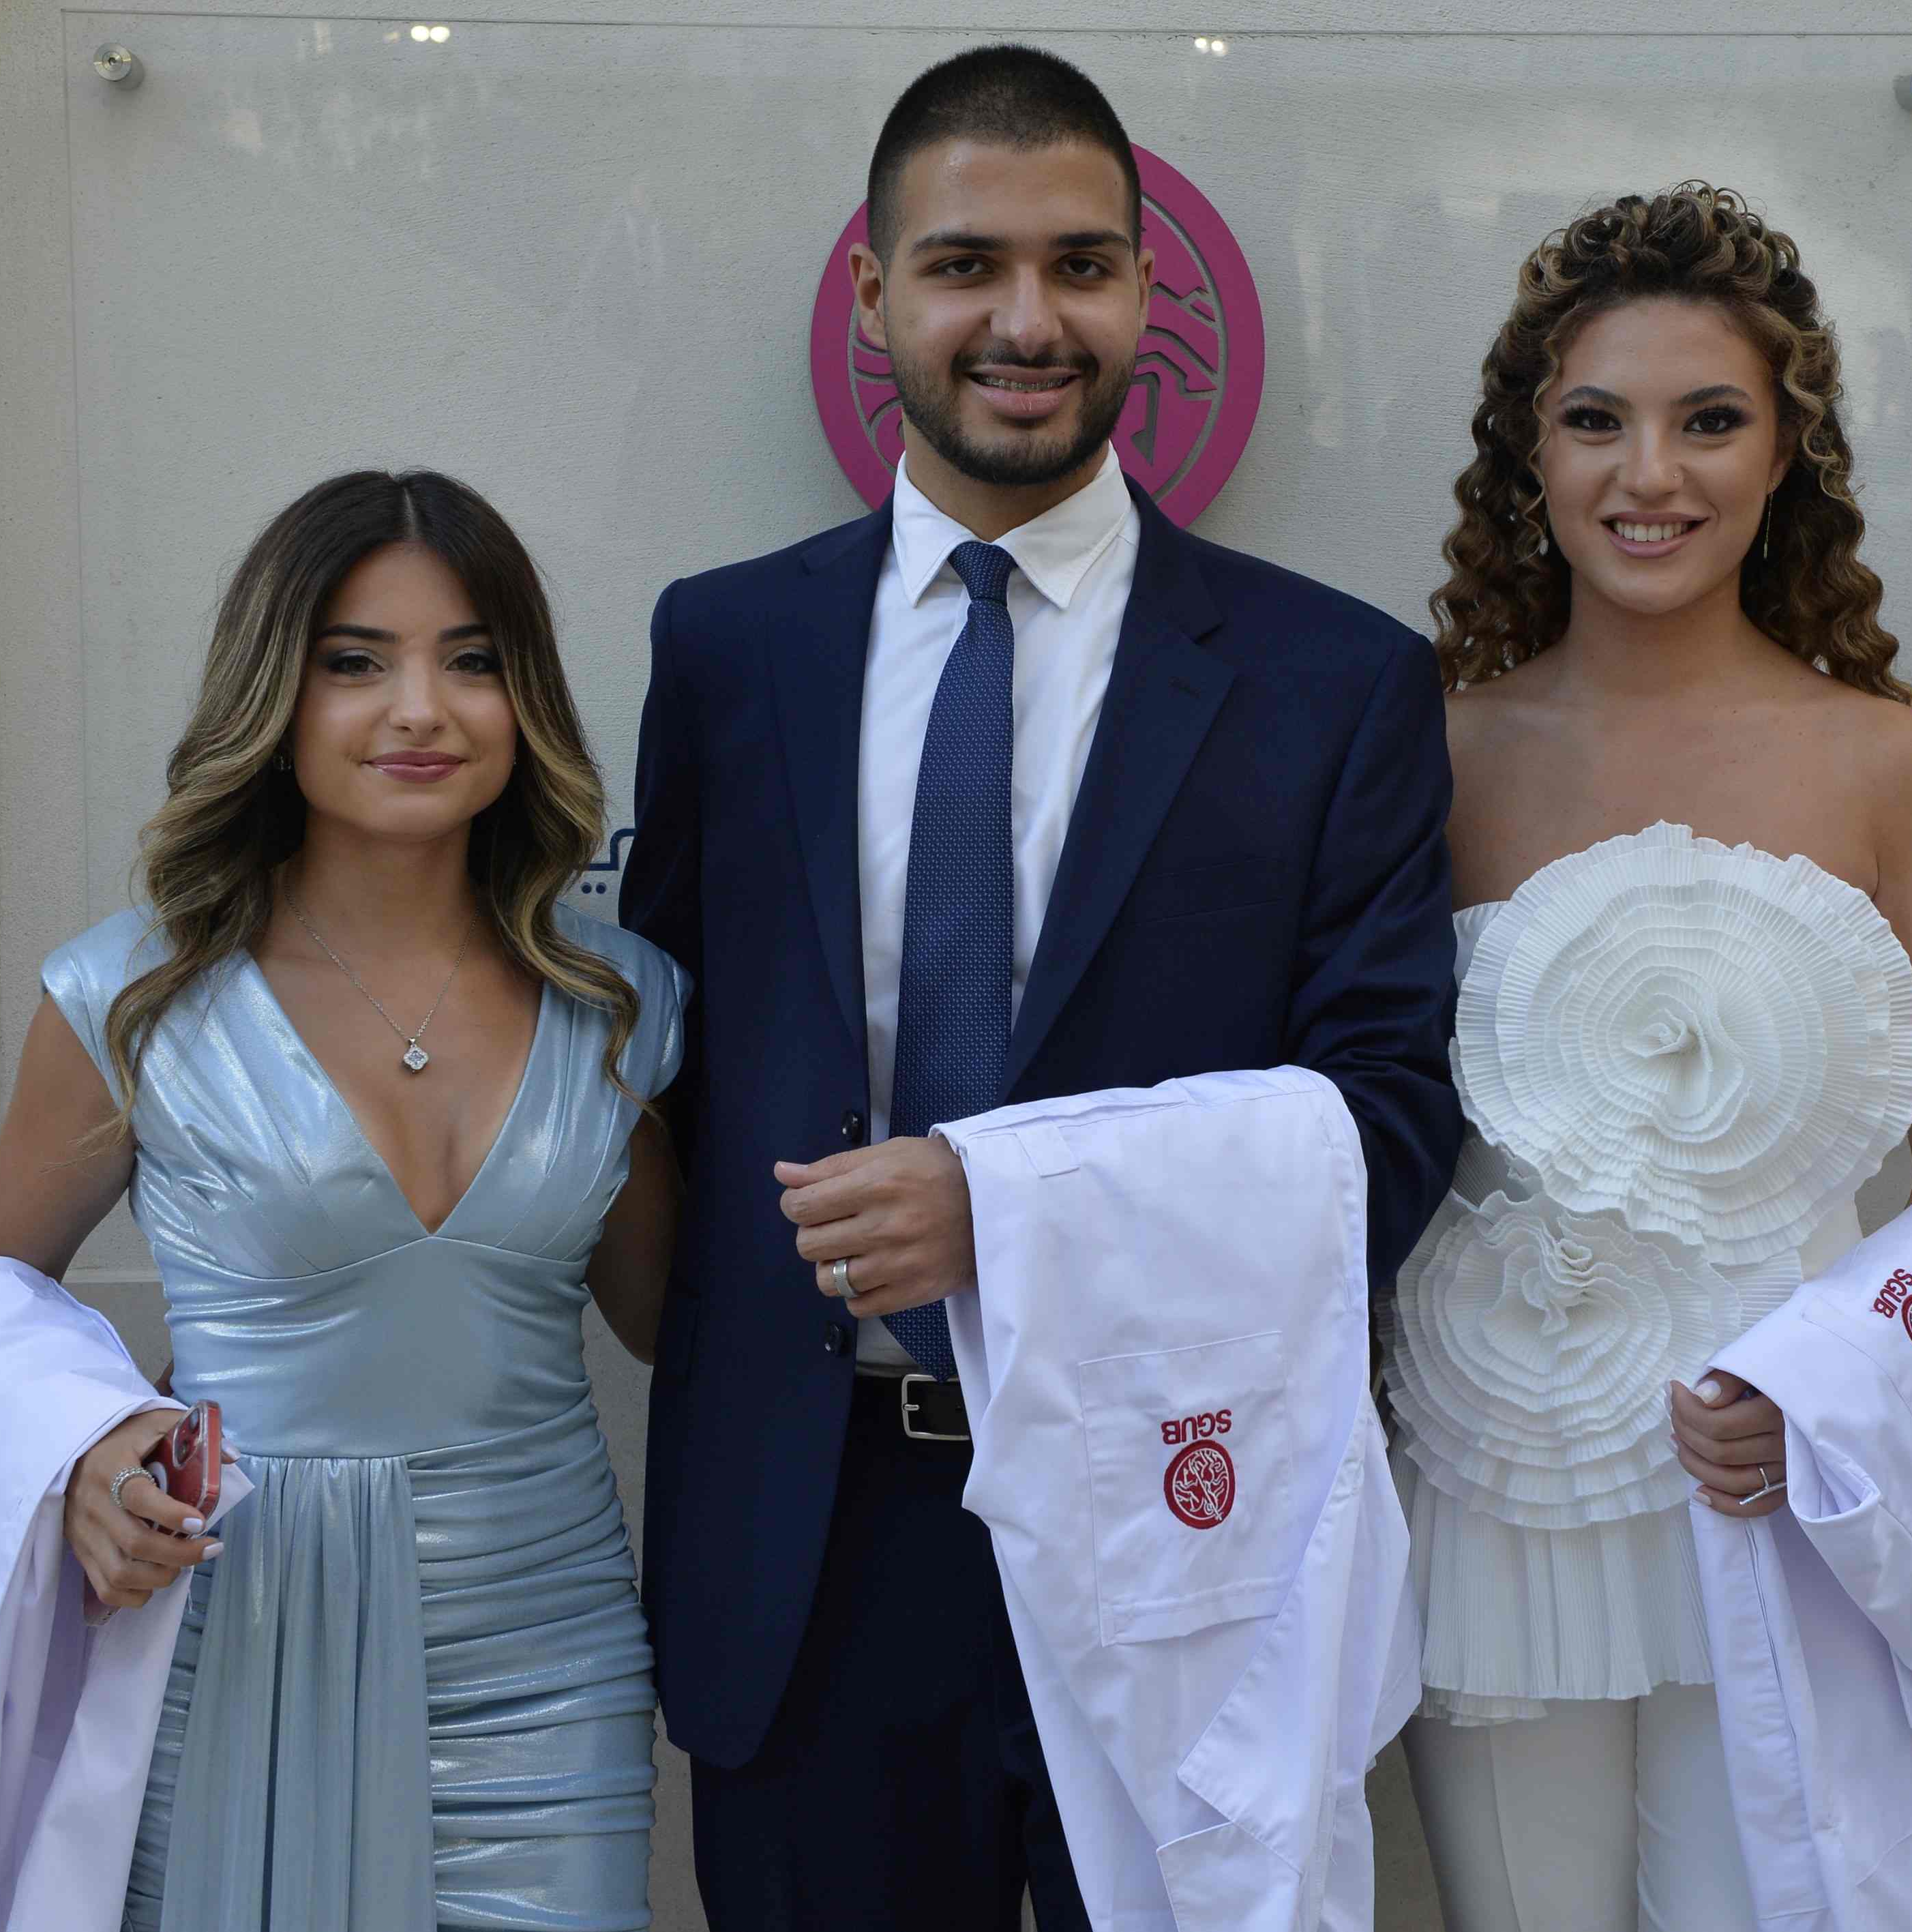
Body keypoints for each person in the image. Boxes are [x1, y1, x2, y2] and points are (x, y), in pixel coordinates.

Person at [617, 44, 1462, 1931]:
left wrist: (1005, 1209)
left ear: (1152, 291)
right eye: (964, 265)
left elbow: (1392, 1130)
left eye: (1080, 265)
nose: (1025, 321)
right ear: (873, 296)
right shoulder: (728, 646)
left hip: (1177, 1521)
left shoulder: (1334, 686)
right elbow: (661, 1069)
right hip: (811, 1542)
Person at [1383, 184, 1912, 1929]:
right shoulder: (1429, 754)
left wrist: (1838, 1387)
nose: (1648, 474)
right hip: (1499, 1482)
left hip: (1792, 1481)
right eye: (1597, 420)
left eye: (1709, 421)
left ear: (1785, 454)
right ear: (1529, 455)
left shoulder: (1890, 768)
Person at [0, 469, 683, 1929]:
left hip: (547, 1672)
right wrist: (84, 1459)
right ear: (273, 698)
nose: (420, 709)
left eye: (471, 660)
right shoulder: (131, 998)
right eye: (355, 662)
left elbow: (678, 1328)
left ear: (525, 699)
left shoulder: (623, 1004)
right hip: (231, 1637)